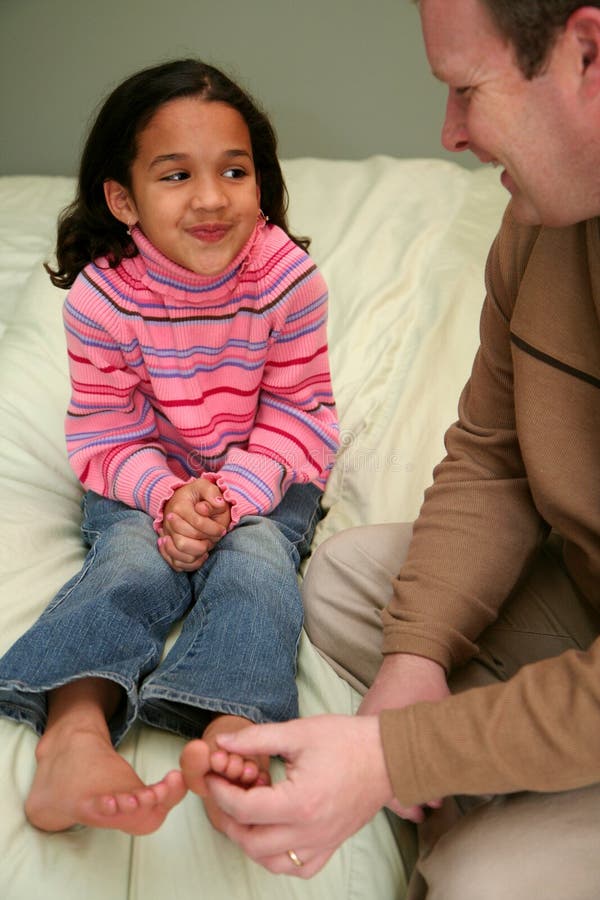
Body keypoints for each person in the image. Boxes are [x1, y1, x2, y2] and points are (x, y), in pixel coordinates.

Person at [181, 1, 600, 896]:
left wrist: (391, 758)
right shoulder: (544, 223)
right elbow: (493, 454)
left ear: (589, 53)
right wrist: (414, 663)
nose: (450, 133)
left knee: (481, 879)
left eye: (466, 90)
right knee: (348, 583)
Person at [0, 58, 338, 837]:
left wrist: (228, 498)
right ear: (124, 199)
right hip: (143, 472)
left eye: (234, 170)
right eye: (176, 175)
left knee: (256, 568)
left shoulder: (289, 282)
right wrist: (163, 496)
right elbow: (106, 432)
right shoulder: (102, 300)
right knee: (129, 562)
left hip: (265, 471)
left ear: (261, 182)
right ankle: (74, 737)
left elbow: (298, 413)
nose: (213, 198)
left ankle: (231, 731)